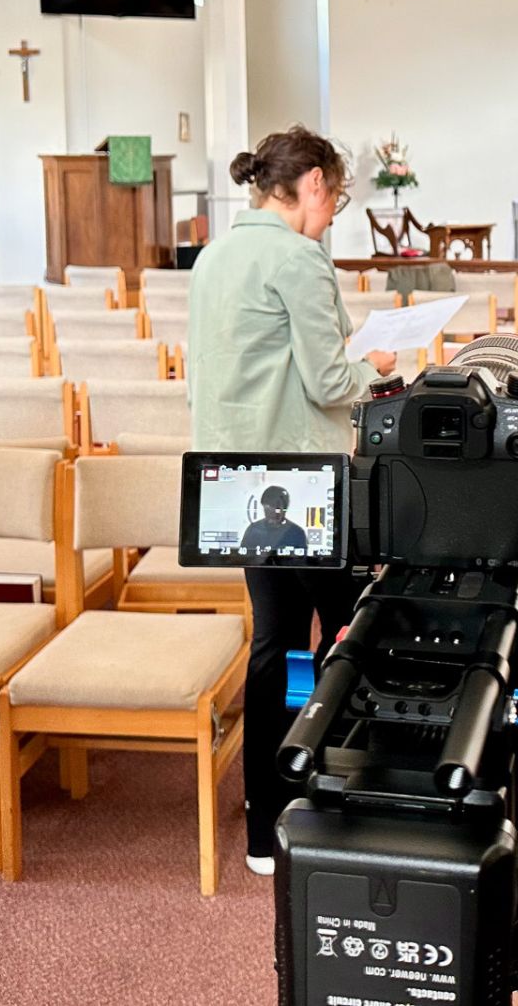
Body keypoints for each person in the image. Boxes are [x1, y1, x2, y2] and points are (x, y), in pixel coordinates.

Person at [187, 125, 395, 877]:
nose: (331, 215)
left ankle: (263, 825)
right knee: (350, 631)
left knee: (276, 639)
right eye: (333, 199)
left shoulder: (215, 254)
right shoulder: (296, 256)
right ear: (311, 183)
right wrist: (374, 364)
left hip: (235, 477)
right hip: (302, 479)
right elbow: (328, 383)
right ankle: (344, 801)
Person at [239, 484, 309, 555]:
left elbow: (302, 561)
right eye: (268, 508)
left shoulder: (297, 533)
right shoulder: (253, 530)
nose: (272, 513)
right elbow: (244, 558)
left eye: (277, 508)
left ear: (285, 508)